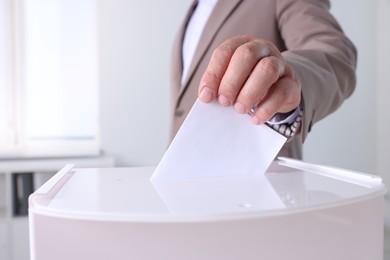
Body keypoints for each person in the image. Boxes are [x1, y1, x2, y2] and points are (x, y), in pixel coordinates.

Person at [169, 0, 357, 159]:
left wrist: (289, 78)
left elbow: (334, 50)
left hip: (260, 184)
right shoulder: (196, 7)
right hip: (185, 180)